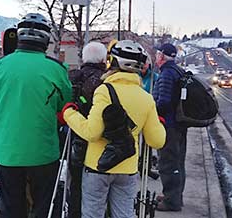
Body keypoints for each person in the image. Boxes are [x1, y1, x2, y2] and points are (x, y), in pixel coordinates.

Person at [60, 40, 166, 218]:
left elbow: (91, 132)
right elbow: (157, 140)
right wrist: (158, 123)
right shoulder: (146, 98)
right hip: (128, 168)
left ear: (113, 62)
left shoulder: (104, 90)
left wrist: (69, 113)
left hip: (97, 167)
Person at [0, 13, 72, 218]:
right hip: (43, 151)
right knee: (44, 205)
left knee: (11, 205)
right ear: (46, 40)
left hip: (7, 150)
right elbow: (64, 105)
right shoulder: (56, 69)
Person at [67, 41, 107, 218]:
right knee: (97, 188)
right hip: (99, 141)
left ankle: (74, 213)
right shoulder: (106, 80)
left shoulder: (72, 77)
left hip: (74, 136)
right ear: (104, 59)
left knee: (75, 182)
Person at [152, 43, 188, 212]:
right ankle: (174, 196)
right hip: (179, 125)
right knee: (178, 162)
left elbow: (164, 101)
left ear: (162, 56)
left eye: (157, 54)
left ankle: (171, 202)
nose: (155, 57)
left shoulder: (166, 74)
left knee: (168, 163)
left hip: (170, 126)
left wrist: (152, 112)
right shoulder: (177, 70)